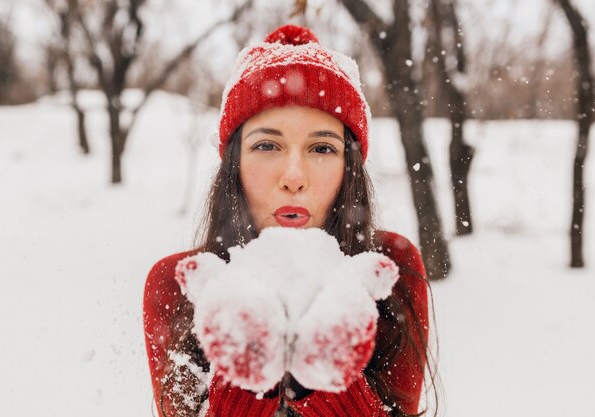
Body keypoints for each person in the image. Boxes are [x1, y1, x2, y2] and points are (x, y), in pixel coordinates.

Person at [143, 24, 435, 417]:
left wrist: (326, 380)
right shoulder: (180, 284)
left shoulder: (389, 272)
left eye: (321, 147)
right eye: (267, 145)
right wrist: (248, 377)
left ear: (349, 168)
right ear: (235, 164)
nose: (294, 176)